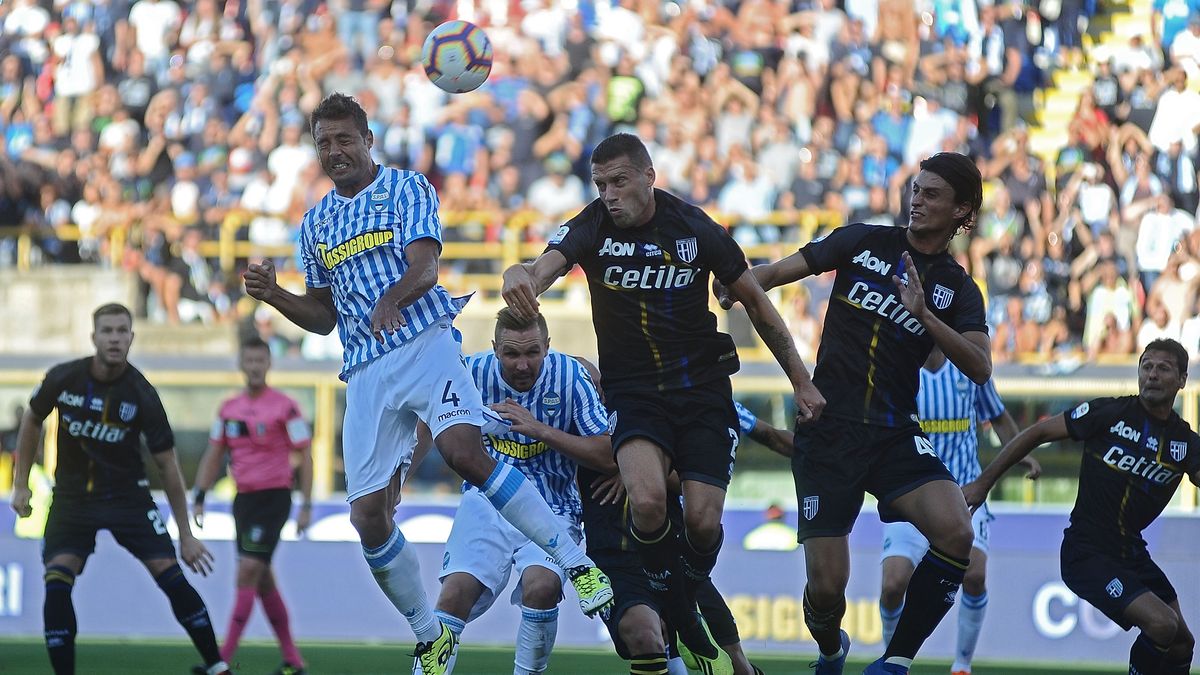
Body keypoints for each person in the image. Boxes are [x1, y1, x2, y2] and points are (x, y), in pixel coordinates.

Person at [242, 92, 612, 675]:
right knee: (366, 517)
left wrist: (392, 298)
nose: (334, 152)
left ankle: (575, 560)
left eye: (344, 140)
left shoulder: (407, 189)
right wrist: (274, 295)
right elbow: (323, 316)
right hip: (364, 369)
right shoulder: (315, 223)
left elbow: (426, 268)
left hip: (422, 342)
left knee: (464, 451)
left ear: (367, 140)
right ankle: (428, 633)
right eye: (323, 143)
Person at [502, 132, 823, 675]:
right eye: (600, 183)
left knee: (702, 522)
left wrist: (801, 380)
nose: (608, 194)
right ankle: (683, 609)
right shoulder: (592, 226)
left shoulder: (696, 229)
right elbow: (546, 265)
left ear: (650, 176)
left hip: (701, 392)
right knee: (647, 504)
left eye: (619, 181)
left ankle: (686, 594)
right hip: (635, 394)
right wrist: (522, 276)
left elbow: (760, 308)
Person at [720, 152, 992, 675]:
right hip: (829, 430)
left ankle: (895, 661)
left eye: (932, 194)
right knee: (826, 592)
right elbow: (777, 272)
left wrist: (926, 317)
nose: (917, 200)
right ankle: (829, 648)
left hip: (893, 433)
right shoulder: (862, 240)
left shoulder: (957, 288)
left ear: (963, 210)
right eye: (915, 189)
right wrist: (738, 283)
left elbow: (979, 366)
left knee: (957, 532)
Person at [8, 303, 229, 675]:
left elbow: (168, 467)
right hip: (73, 499)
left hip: (129, 498)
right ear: (94, 337)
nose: (114, 338)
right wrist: (20, 485)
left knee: (171, 576)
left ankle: (218, 666)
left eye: (121, 331)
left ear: (131, 337)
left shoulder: (142, 394)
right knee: (57, 581)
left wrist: (186, 536)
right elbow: (32, 419)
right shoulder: (64, 378)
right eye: (107, 331)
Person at [964, 339, 1198, 675]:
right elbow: (1038, 431)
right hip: (1086, 553)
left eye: (1163, 368)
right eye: (1146, 366)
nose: (1152, 375)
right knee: (1162, 625)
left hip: (1130, 552)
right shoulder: (1110, 413)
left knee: (1181, 643)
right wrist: (984, 484)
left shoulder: (1184, 443)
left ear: (1182, 379)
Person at [429, 309, 613, 675]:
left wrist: (540, 430)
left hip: (554, 504)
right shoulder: (470, 373)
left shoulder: (571, 376)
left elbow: (607, 454)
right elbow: (433, 424)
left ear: (548, 347)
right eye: (512, 354)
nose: (523, 364)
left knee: (541, 588)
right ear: (495, 349)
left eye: (532, 352)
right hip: (486, 502)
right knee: (453, 596)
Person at [576, 357, 781, 675]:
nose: (596, 391)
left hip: (674, 556)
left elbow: (688, 477)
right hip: (618, 560)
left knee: (733, 661)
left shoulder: (655, 414)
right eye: (587, 386)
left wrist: (633, 467)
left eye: (598, 383)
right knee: (649, 638)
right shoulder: (575, 428)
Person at [878, 346, 1040, 675]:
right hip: (911, 492)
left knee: (975, 575)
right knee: (893, 585)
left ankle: (962, 666)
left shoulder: (969, 367)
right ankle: (892, 662)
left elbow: (998, 417)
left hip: (964, 492)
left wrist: (1022, 451)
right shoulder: (897, 366)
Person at [191, 336, 314, 675]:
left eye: (261, 361)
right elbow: (214, 453)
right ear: (241, 364)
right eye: (250, 361)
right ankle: (293, 661)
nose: (255, 367)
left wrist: (306, 505)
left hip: (274, 498)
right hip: (243, 501)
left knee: (247, 571)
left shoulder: (286, 407)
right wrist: (199, 495)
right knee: (262, 579)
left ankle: (221, 660)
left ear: (269, 364)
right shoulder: (228, 410)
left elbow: (304, 454)